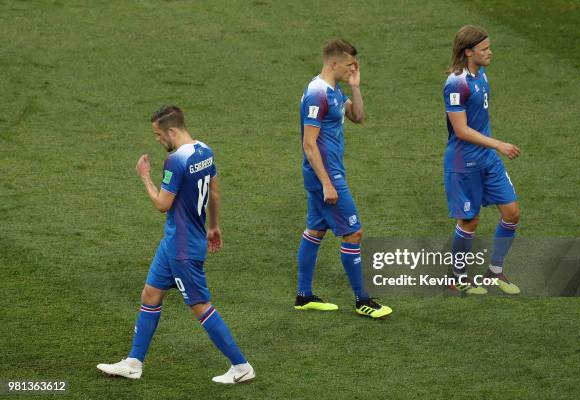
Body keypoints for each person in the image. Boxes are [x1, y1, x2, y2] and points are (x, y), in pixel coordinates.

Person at [97, 106, 255, 383]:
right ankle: (134, 363)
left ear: (172, 130)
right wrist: (214, 226)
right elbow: (215, 192)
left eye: (158, 135)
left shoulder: (175, 161)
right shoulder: (205, 151)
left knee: (200, 306)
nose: (158, 140)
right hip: (174, 243)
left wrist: (144, 176)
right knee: (150, 294)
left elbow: (162, 204)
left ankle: (241, 367)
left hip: (183, 248)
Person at [294, 39, 392, 318]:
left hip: (328, 171)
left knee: (315, 230)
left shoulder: (334, 90)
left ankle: (303, 296)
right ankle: (363, 300)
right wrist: (327, 182)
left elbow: (358, 117)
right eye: (350, 65)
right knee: (353, 232)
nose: (353, 68)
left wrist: (356, 85)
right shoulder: (317, 93)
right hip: (325, 174)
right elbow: (309, 144)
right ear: (333, 63)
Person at [443, 25, 521, 295]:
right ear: (468, 52)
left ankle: (494, 272)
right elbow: (461, 130)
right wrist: (499, 143)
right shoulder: (456, 83)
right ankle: (459, 277)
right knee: (469, 222)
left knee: (512, 213)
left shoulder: (481, 75)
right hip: (464, 163)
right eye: (484, 49)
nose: (490, 52)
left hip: (488, 161)